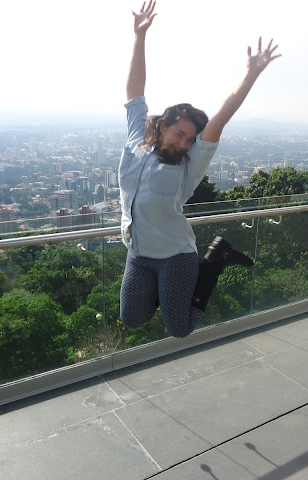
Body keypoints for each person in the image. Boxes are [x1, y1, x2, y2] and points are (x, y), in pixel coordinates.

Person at [119, 0, 281, 338]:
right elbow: (135, 90)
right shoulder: (136, 139)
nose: (184, 144)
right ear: (163, 125)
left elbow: (221, 119)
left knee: (179, 328)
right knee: (132, 318)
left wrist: (251, 74)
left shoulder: (189, 165)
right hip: (138, 253)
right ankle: (170, 289)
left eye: (190, 139)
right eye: (179, 134)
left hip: (175, 255)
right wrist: (139, 36)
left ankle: (213, 261)